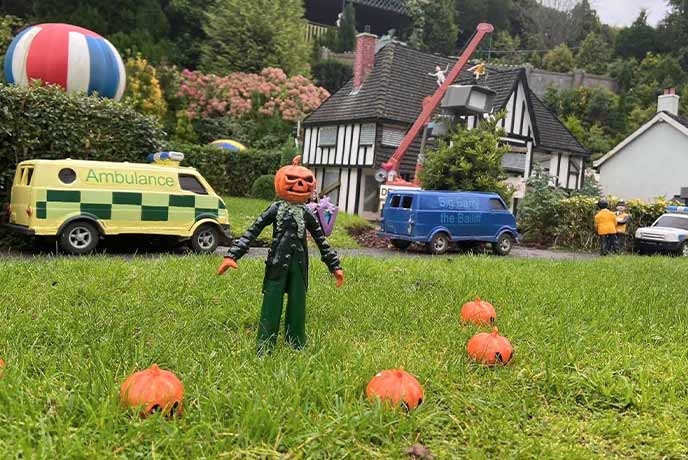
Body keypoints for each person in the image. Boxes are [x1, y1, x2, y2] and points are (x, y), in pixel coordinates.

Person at [217, 156, 344, 355]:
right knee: (272, 302)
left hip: (299, 266)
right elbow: (253, 230)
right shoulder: (275, 209)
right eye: (292, 179)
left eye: (306, 180)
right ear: (280, 182)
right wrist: (232, 255)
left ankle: (296, 342)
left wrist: (334, 265)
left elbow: (321, 240)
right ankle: (265, 343)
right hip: (276, 264)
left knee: (297, 303)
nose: (300, 184)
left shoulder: (307, 214)